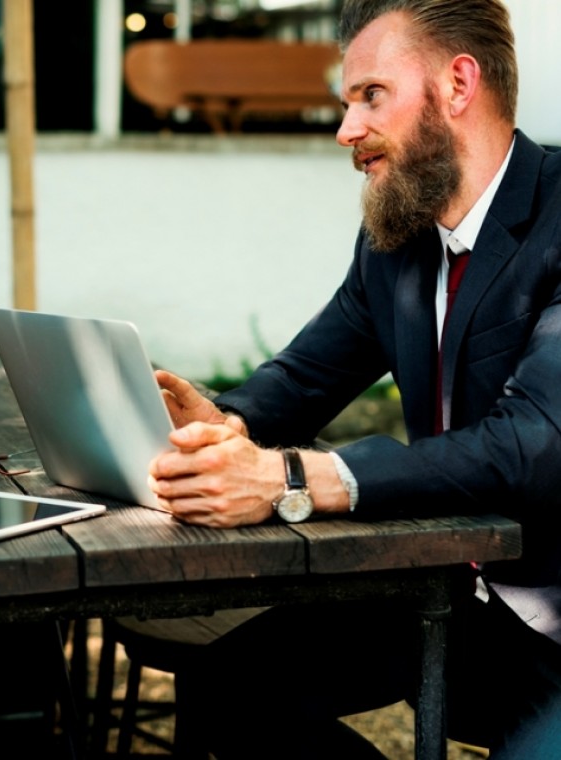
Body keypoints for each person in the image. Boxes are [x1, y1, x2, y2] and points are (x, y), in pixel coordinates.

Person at [148, 0, 561, 756]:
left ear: (458, 84)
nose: (346, 130)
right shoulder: (397, 237)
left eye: (371, 95)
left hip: (554, 628)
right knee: (227, 691)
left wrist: (292, 479)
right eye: (348, 103)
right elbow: (305, 375)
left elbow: (532, 445)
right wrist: (221, 424)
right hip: (453, 595)